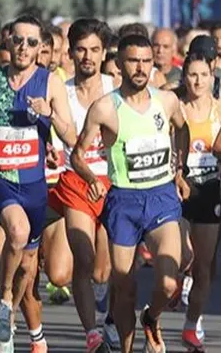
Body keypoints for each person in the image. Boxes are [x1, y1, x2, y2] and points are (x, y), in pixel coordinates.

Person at [71, 33, 188, 353]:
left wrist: (181, 169)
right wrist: (90, 178)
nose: (141, 67)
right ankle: (125, 347)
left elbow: (182, 127)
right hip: (124, 201)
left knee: (167, 283)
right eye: (133, 61)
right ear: (120, 65)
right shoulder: (105, 108)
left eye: (146, 61)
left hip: (161, 196)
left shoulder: (166, 100)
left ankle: (151, 318)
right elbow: (77, 155)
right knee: (124, 288)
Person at [0, 14, 76, 352]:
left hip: (34, 184)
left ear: (41, 49)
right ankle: (3, 300)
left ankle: (8, 316)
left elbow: (72, 134)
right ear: (8, 42)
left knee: (28, 269)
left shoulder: (50, 83)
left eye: (31, 42)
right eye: (17, 40)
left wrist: (49, 115)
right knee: (16, 234)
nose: (23, 47)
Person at [45, 18, 118, 353]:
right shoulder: (61, 89)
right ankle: (92, 335)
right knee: (79, 264)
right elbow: (61, 135)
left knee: (104, 271)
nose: (87, 56)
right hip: (76, 180)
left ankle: (106, 313)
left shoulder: (116, 84)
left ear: (104, 53)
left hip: (115, 182)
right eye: (81, 50)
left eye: (94, 50)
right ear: (70, 53)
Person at [175, 44, 221, 353]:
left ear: (212, 76)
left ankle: (192, 324)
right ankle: (172, 286)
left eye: (203, 75)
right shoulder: (175, 108)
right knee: (185, 257)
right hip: (179, 188)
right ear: (184, 77)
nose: (198, 82)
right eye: (192, 75)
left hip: (210, 190)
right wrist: (176, 178)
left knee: (204, 267)